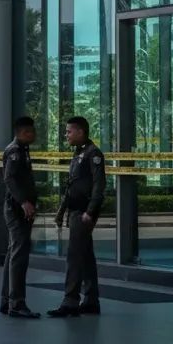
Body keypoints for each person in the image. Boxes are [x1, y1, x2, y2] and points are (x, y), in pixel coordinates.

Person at [48, 116, 105, 318]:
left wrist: (91, 211)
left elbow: (99, 185)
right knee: (85, 255)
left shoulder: (93, 154)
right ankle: (90, 300)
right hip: (75, 210)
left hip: (83, 213)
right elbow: (72, 185)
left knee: (74, 256)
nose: (66, 135)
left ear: (81, 132)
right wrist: (61, 210)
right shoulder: (78, 153)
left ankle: (70, 301)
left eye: (69, 131)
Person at [1, 117, 40, 319]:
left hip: (18, 208)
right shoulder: (15, 151)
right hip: (17, 209)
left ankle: (7, 300)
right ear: (20, 133)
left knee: (13, 253)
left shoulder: (22, 150)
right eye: (28, 133)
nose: (32, 136)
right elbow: (9, 178)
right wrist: (24, 202)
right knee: (19, 254)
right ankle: (16, 302)